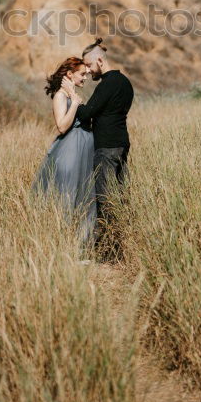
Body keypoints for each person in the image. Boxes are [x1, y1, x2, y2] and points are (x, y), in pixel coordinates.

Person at [62, 38, 134, 249]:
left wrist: (72, 96)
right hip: (122, 144)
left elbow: (86, 113)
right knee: (120, 194)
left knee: (105, 198)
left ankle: (109, 249)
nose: (89, 71)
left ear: (100, 61)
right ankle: (121, 244)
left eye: (90, 65)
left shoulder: (107, 85)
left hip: (106, 147)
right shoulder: (125, 83)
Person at [31, 56, 96, 246]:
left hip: (83, 149)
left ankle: (83, 246)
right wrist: (75, 102)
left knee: (84, 195)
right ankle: (66, 245)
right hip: (70, 151)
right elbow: (61, 126)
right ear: (69, 74)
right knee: (68, 195)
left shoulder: (71, 94)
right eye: (82, 74)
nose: (85, 78)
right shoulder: (61, 96)